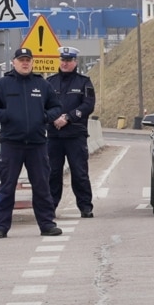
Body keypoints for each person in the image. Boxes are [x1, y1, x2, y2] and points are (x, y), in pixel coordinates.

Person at [0, 47, 65, 239]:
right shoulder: (2, 85)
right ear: (14, 62)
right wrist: (7, 116)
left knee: (42, 186)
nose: (25, 63)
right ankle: (0, 227)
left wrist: (44, 117)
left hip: (37, 143)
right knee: (7, 186)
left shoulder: (42, 84)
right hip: (11, 144)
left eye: (28, 60)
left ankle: (47, 224)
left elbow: (57, 107)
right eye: (21, 60)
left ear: (32, 62)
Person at [46, 46, 97, 218]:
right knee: (52, 173)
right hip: (54, 136)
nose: (65, 63)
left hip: (75, 135)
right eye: (63, 60)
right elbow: (43, 105)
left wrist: (68, 117)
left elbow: (88, 105)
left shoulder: (84, 82)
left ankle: (85, 207)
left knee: (79, 173)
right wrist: (54, 117)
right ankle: (50, 207)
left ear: (75, 62)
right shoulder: (49, 82)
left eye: (68, 61)